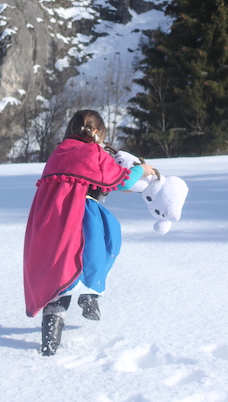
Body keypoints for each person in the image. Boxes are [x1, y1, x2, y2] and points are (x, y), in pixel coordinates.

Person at [23, 109, 156, 356]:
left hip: (50, 220)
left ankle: (50, 338)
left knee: (59, 270)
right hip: (81, 216)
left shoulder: (59, 151)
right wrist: (142, 170)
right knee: (105, 243)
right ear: (96, 132)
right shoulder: (93, 152)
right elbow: (123, 180)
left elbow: (81, 180)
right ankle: (91, 292)